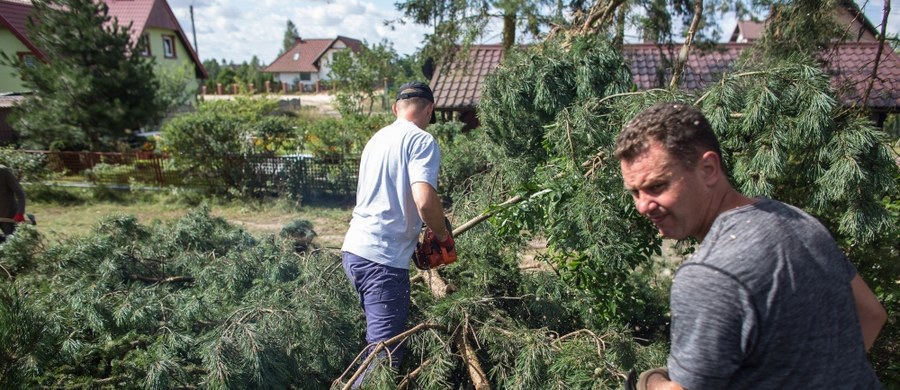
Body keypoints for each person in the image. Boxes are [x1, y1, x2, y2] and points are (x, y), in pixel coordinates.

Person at [615, 102, 887, 389]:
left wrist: (650, 381)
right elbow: (872, 314)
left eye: (657, 186)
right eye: (635, 192)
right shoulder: (797, 221)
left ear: (708, 169)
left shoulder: (710, 273)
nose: (643, 206)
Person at [340, 81, 453, 384]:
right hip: (382, 261)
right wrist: (441, 235)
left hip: (354, 250)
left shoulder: (377, 138)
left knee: (378, 344)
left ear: (396, 109)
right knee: (384, 357)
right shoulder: (421, 140)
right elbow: (424, 200)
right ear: (429, 109)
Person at [0, 164, 27, 240]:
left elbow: (20, 193)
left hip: (8, 216)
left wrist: (20, 213)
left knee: (12, 242)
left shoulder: (3, 172)